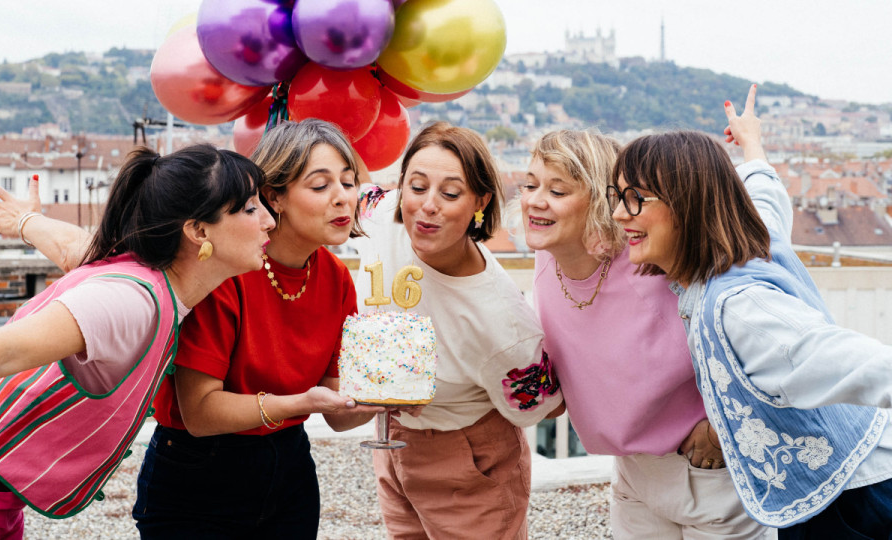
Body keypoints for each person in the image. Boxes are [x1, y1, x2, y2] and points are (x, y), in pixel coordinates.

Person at [0, 120, 383, 538]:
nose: (343, 198)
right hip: (199, 471)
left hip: (290, 467)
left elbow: (337, 410)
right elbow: (200, 413)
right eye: (320, 185)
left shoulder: (336, 278)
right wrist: (300, 403)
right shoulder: (225, 267)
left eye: (349, 182)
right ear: (274, 196)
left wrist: (385, 401)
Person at [0, 144, 274, 538]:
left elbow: (72, 246)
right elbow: (4, 352)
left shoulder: (141, 271)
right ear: (198, 231)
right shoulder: (131, 302)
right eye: (251, 208)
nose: (268, 220)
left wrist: (26, 220)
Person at [610, 84, 892, 536]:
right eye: (617, 196)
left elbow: (858, 364)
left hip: (855, 493)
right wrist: (752, 144)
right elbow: (766, 196)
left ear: (687, 205)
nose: (621, 215)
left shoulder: (737, 309)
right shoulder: (754, 241)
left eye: (636, 199)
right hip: (844, 477)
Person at [519, 129, 770, 538]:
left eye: (558, 190)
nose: (534, 200)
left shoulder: (651, 257)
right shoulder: (547, 258)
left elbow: (752, 335)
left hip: (705, 472)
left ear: (601, 200)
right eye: (530, 185)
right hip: (632, 472)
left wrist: (722, 428)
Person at [354, 122, 565, 539]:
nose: (427, 205)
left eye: (450, 193)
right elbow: (350, 187)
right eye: (416, 186)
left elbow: (546, 406)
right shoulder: (382, 216)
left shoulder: (501, 317)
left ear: (480, 202)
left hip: (469, 456)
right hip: (393, 442)